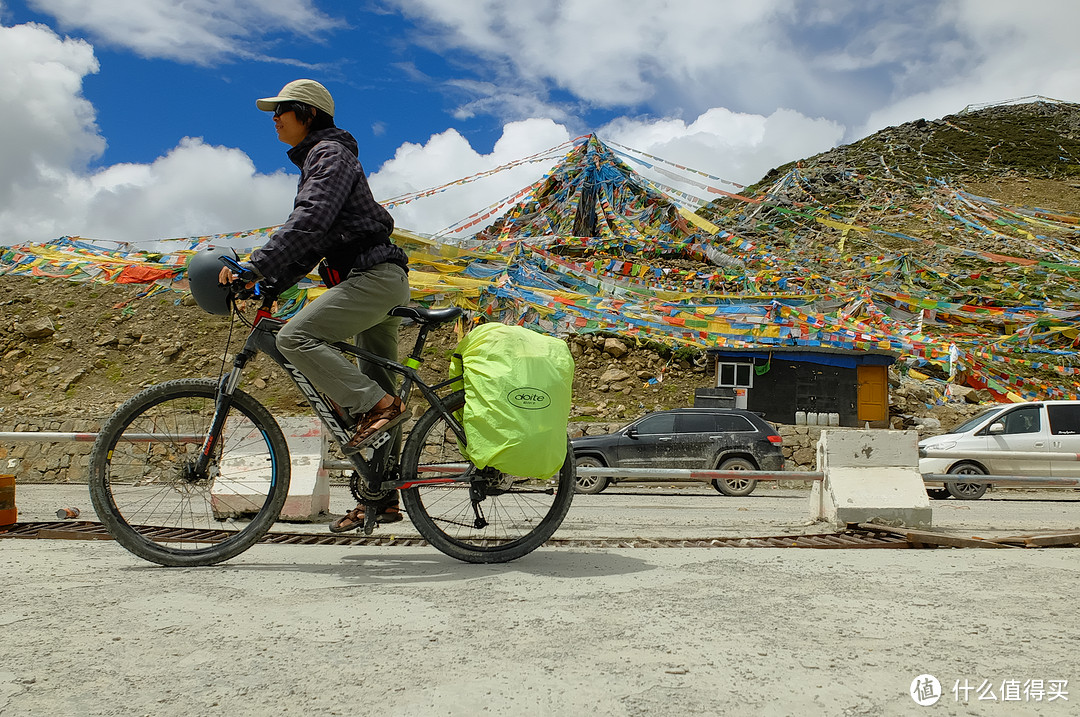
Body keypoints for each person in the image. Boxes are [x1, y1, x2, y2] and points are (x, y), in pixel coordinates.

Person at [218, 79, 409, 531]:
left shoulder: (329, 155)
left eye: (281, 109)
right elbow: (311, 243)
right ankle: (382, 499)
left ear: (308, 114)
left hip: (374, 279)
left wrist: (254, 265)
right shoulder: (323, 158)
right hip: (374, 280)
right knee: (377, 381)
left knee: (295, 337)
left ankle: (380, 406)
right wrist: (268, 284)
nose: (274, 118)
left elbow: (309, 221)